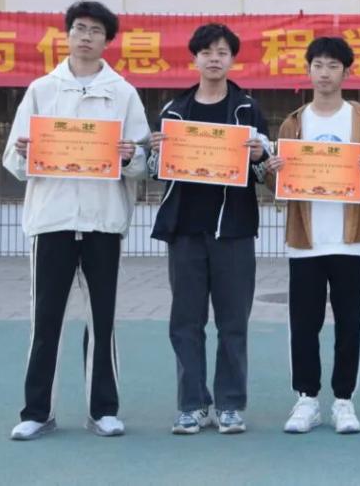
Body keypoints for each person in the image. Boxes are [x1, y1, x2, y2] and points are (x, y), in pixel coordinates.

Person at [3, 0, 150, 440]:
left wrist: (131, 156)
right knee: (45, 320)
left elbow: (143, 161)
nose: (86, 36)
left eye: (95, 31)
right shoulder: (41, 90)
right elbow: (13, 158)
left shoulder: (122, 93)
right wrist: (25, 152)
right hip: (52, 221)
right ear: (67, 35)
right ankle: (37, 412)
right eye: (80, 28)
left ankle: (102, 410)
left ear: (108, 41)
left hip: (104, 222)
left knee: (103, 321)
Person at [146, 23, 272, 436]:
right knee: (186, 321)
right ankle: (192, 405)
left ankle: (230, 405)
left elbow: (265, 173)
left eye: (222, 52)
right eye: (207, 52)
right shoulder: (174, 110)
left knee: (233, 322)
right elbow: (156, 172)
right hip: (184, 230)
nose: (214, 59)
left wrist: (260, 155)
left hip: (233, 230)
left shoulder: (247, 109)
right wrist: (155, 152)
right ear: (194, 59)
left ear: (232, 59)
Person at [264, 36, 360, 435]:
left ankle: (343, 401)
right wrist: (272, 171)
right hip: (305, 240)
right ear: (308, 71)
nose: (324, 73)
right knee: (304, 324)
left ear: (346, 72)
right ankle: (306, 399)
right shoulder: (294, 122)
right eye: (317, 65)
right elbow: (277, 185)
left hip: (350, 239)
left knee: (350, 324)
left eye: (333, 66)